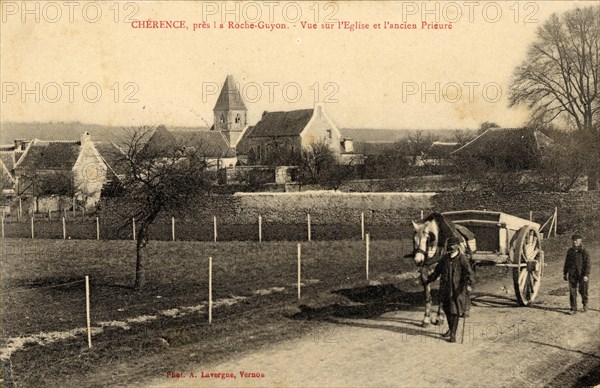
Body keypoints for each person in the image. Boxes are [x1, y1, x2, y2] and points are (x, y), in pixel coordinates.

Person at [426, 236, 475, 343]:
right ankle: (451, 329)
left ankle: (453, 334)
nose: (451, 247)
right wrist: (429, 280)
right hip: (445, 288)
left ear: (457, 246)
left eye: (453, 245)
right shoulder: (445, 258)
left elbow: (469, 272)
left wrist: (469, 284)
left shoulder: (462, 258)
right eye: (450, 245)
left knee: (455, 311)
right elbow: (437, 271)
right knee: (447, 310)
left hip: (458, 289)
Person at [564, 233, 591, 314]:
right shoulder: (570, 251)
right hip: (572, 274)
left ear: (580, 241)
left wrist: (586, 274)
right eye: (573, 240)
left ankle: (585, 303)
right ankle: (573, 308)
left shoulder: (584, 251)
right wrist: (565, 273)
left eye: (576, 240)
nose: (575, 242)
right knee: (572, 291)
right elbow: (567, 263)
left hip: (582, 274)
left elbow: (588, 264)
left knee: (583, 290)